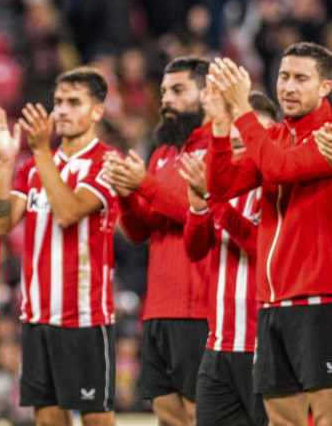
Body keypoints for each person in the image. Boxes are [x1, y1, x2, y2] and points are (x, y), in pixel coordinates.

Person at [205, 43, 332, 426]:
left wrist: (243, 109)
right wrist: (220, 127)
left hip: (318, 298)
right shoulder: (274, 135)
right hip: (272, 303)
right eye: (283, 76)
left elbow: (278, 169)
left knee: (325, 416)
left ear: (325, 86)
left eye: (301, 79)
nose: (289, 87)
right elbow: (221, 185)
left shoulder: (328, 137)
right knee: (282, 421)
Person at [0, 66, 119, 426]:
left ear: (98, 111)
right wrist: (5, 161)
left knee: (96, 421)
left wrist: (42, 151)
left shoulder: (107, 162)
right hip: (36, 316)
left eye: (74, 102)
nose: (61, 110)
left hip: (84, 316)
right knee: (47, 420)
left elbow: (68, 211)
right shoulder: (31, 167)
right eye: (58, 101)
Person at [102, 56, 211, 426]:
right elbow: (140, 231)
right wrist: (127, 194)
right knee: (166, 414)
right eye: (164, 91)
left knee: (199, 413)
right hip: (158, 305)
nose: (166, 99)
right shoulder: (163, 153)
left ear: (208, 94)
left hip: (198, 306)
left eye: (179, 90)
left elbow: (198, 212)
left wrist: (143, 184)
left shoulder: (220, 150)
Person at [181, 90, 276, 426]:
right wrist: (198, 206)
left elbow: (260, 248)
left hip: (263, 347)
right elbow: (194, 250)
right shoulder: (223, 188)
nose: (244, 146)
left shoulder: (277, 191)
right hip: (218, 344)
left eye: (252, 139)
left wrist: (215, 201)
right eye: (236, 141)